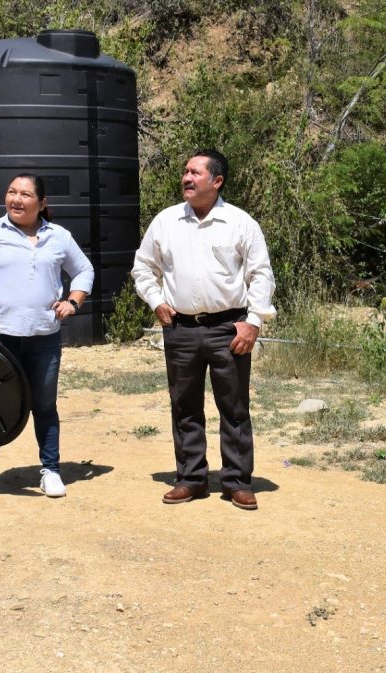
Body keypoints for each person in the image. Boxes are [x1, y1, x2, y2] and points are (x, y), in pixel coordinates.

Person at [131, 149, 276, 510]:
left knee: (235, 407)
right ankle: (191, 478)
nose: (187, 178)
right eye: (185, 172)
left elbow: (261, 275)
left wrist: (253, 323)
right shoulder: (165, 222)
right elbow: (142, 268)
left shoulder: (242, 224)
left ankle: (237, 482)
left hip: (230, 329)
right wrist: (156, 301)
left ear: (217, 181)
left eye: (195, 172)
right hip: (180, 329)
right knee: (184, 406)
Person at [0, 174, 94, 504]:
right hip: (0, 338)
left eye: (25, 194)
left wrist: (73, 301)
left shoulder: (58, 237)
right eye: (11, 192)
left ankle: (50, 470)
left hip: (44, 338)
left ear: (42, 203)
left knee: (44, 406)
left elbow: (84, 271)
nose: (16, 200)